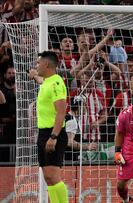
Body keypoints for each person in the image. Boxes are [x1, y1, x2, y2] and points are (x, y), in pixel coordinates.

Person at [35, 51, 68, 203]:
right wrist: (34, 76)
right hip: (43, 132)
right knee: (48, 178)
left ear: (46, 64)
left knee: (54, 176)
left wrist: (53, 137)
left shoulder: (56, 83)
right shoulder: (47, 81)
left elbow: (61, 112)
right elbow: (42, 81)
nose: (37, 65)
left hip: (53, 133)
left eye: (38, 63)